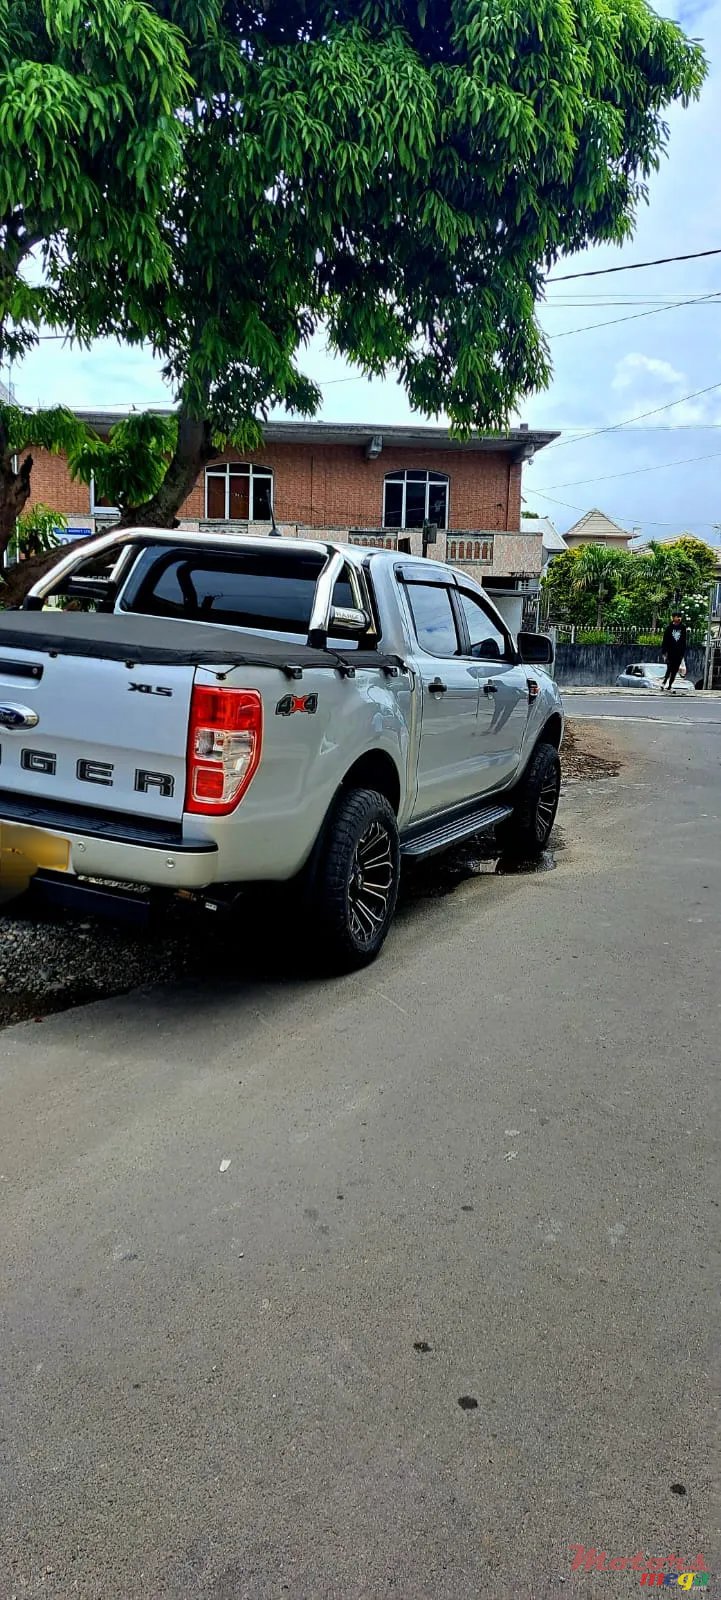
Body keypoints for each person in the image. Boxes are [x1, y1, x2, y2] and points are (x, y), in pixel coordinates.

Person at [660, 612, 688, 691]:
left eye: (680, 617)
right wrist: (664, 652)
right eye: (677, 617)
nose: (679, 618)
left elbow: (683, 641)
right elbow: (665, 640)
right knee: (669, 668)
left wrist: (682, 653)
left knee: (675, 670)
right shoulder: (669, 628)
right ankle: (664, 682)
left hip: (678, 653)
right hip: (670, 652)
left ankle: (670, 685)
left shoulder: (683, 628)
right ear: (673, 618)